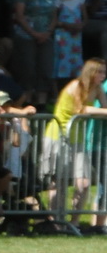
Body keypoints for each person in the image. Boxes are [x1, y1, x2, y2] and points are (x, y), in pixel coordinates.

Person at [42, 58, 107, 229]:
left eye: (104, 72)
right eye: (99, 72)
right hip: (58, 135)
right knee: (58, 181)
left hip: (77, 138)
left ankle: (74, 222)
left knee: (84, 183)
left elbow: (104, 108)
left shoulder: (98, 88)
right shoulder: (75, 86)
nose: (102, 75)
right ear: (90, 72)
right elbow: (81, 109)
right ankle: (56, 223)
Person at [11, 0, 58, 105]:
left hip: (46, 34)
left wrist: (48, 31)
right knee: (28, 68)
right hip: (26, 34)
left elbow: (55, 15)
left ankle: (42, 103)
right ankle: (27, 100)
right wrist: (34, 33)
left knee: (45, 68)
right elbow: (19, 15)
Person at [52, 0, 87, 84]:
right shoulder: (58, 0)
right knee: (61, 58)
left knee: (76, 59)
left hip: (76, 35)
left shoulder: (80, 0)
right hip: (63, 35)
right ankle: (58, 88)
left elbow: (85, 18)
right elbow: (54, 19)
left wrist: (81, 25)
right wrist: (63, 24)